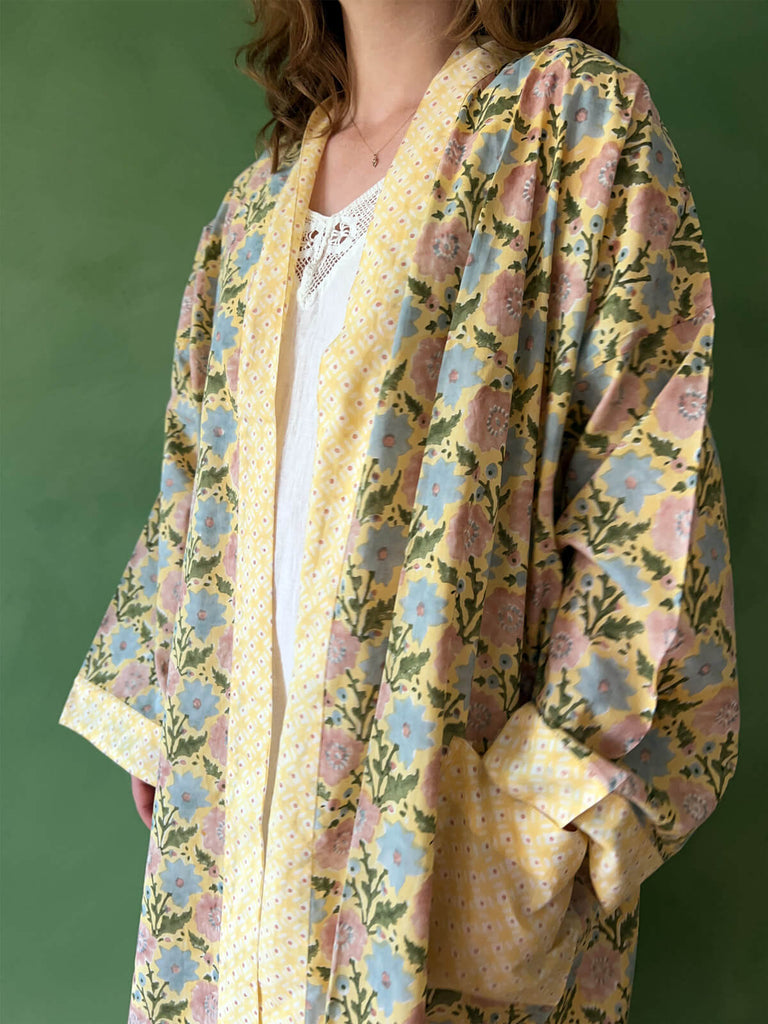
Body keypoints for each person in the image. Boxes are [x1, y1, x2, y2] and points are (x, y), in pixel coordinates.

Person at [59, 2, 740, 1023]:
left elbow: (649, 495)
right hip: (234, 874)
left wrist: (546, 808)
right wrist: (169, 706)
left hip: (434, 837)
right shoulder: (253, 210)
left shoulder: (573, 126)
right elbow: (196, 489)